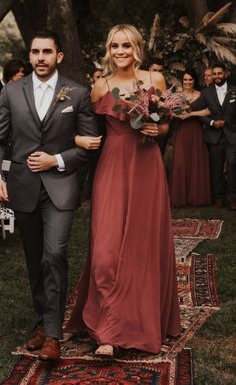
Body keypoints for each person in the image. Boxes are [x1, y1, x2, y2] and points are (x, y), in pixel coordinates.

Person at [65, 24, 181, 356]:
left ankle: (117, 332)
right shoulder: (100, 85)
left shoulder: (152, 80)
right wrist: (77, 140)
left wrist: (158, 128)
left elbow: (166, 123)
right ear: (108, 49)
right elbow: (78, 126)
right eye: (115, 45)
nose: (120, 51)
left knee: (142, 247)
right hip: (112, 167)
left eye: (126, 46)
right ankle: (106, 323)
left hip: (146, 165)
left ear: (136, 49)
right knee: (105, 252)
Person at [0, 30, 99, 361]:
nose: (40, 57)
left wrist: (56, 160)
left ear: (58, 56)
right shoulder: (11, 92)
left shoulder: (78, 93)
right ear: (29, 57)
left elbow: (89, 145)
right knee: (33, 260)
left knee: (53, 254)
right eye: (35, 52)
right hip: (23, 186)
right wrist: (0, 175)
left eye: (47, 52)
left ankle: (54, 336)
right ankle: (42, 322)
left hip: (60, 186)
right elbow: (2, 139)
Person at [192, 63, 236, 210]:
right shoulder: (206, 92)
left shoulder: (234, 90)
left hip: (232, 136)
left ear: (226, 74)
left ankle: (232, 198)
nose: (217, 76)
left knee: (232, 166)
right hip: (215, 136)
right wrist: (211, 122)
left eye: (219, 73)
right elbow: (196, 111)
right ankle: (218, 197)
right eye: (215, 74)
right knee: (216, 168)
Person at [168, 69, 211, 207]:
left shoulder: (202, 94)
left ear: (195, 81)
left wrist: (191, 113)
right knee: (181, 162)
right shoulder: (177, 95)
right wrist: (177, 114)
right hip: (182, 130)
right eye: (185, 80)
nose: (188, 82)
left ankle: (196, 197)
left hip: (197, 130)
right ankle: (180, 197)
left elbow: (209, 110)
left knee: (196, 161)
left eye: (190, 79)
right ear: (182, 81)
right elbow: (169, 112)